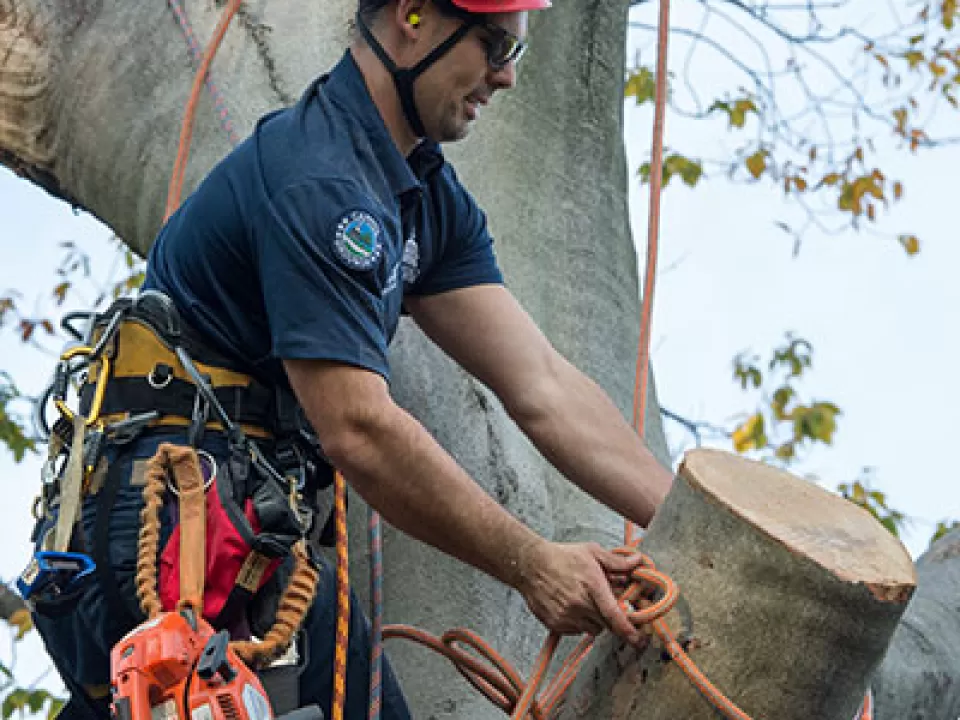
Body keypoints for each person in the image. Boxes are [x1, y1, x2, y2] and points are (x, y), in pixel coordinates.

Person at [27, 1, 674, 718]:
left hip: (245, 532)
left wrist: (693, 523)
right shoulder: (321, 180)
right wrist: (533, 562)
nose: (504, 77)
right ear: (413, 16)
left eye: (512, 53)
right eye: (494, 45)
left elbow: (544, 387)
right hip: (175, 521)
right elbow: (358, 427)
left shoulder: (423, 196)